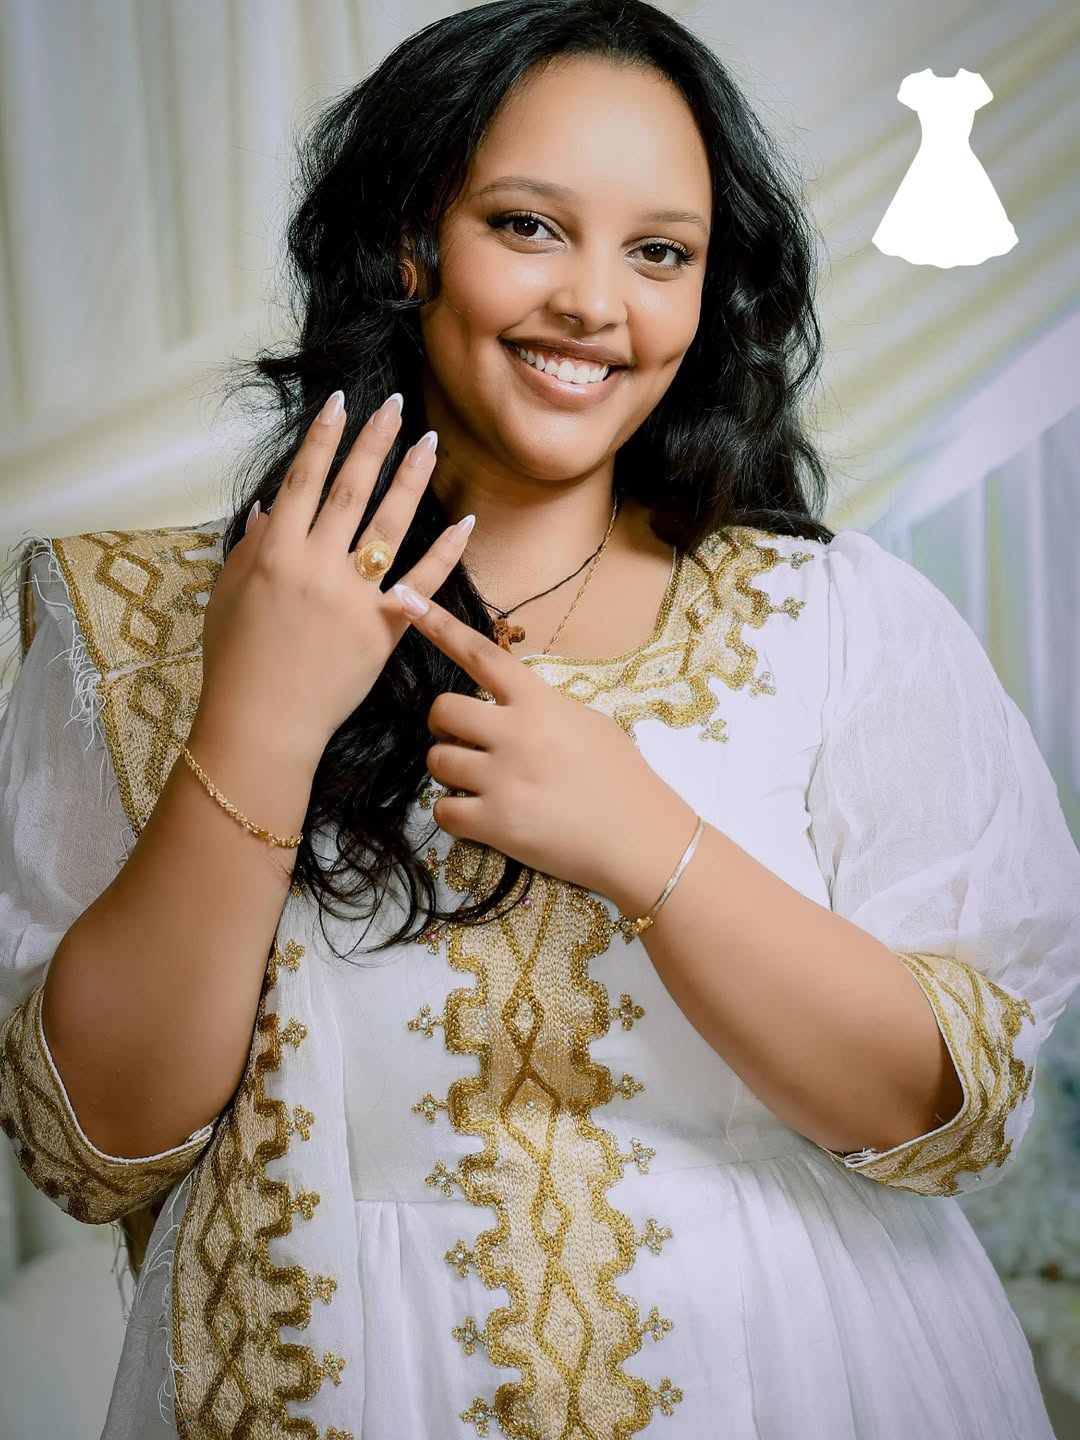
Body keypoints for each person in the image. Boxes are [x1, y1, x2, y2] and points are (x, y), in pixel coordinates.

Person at [1, 1, 1077, 1436]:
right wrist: (260, 715)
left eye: (660, 253)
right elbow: (100, 1143)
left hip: (809, 1384)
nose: (595, 304)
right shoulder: (140, 621)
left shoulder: (839, 620)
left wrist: (650, 840)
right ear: (407, 239)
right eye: (527, 225)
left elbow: (946, 1115)